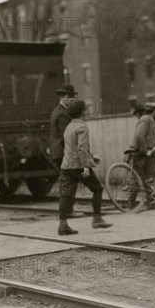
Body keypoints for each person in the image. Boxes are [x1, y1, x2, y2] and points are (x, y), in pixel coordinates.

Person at [58, 100, 112, 235]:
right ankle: (97, 219)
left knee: (66, 195)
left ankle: (63, 225)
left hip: (66, 165)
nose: (87, 112)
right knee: (97, 189)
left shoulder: (69, 126)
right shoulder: (82, 127)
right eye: (86, 109)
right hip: (78, 166)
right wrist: (86, 166)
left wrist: (91, 157)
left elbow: (72, 148)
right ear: (82, 112)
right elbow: (81, 149)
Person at [49, 83, 83, 218]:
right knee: (70, 182)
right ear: (67, 97)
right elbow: (68, 135)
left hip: (59, 152)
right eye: (72, 98)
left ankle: (67, 211)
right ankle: (67, 211)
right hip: (64, 152)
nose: (73, 101)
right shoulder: (63, 114)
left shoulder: (56, 111)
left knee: (67, 181)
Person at [128, 102, 155, 207]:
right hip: (140, 153)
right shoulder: (145, 119)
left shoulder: (150, 121)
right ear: (154, 112)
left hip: (148, 153)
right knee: (138, 178)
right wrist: (145, 151)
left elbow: (149, 137)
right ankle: (131, 203)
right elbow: (139, 136)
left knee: (151, 176)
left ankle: (150, 201)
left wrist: (154, 147)